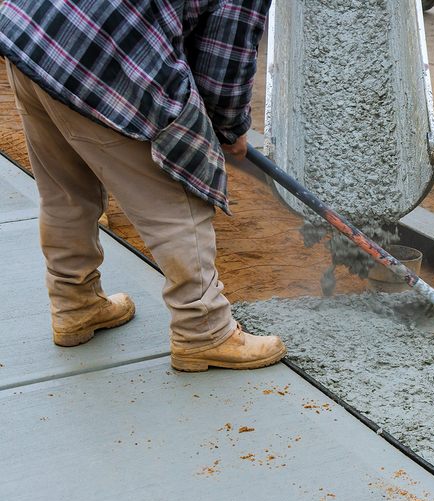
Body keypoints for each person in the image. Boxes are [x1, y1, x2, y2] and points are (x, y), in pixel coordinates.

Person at [0, 0, 286, 371]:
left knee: (65, 189)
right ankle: (204, 330)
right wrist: (228, 127)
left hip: (31, 34)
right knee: (177, 201)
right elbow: (222, 58)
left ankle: (75, 305)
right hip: (100, 57)